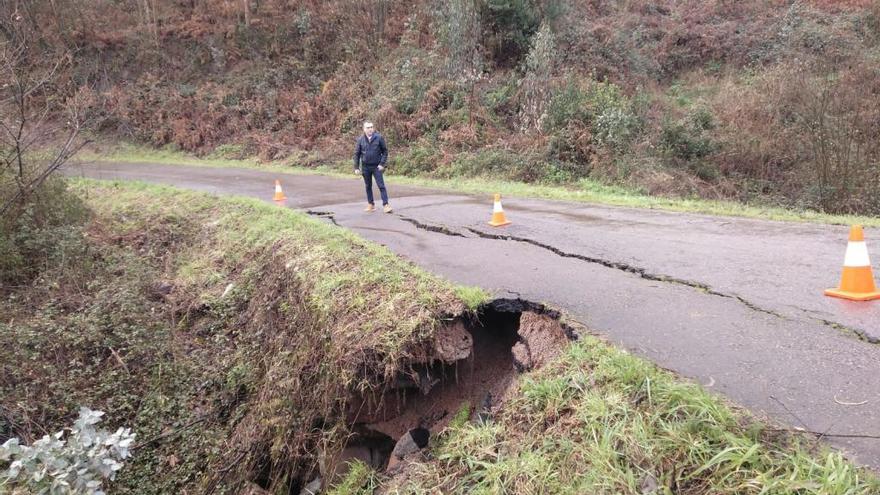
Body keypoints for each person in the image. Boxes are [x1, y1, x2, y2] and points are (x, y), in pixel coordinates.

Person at [353, 121, 392, 213]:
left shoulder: (379, 138)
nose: (370, 129)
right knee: (368, 186)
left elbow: (385, 152)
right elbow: (356, 154)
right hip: (365, 167)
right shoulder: (361, 140)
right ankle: (371, 204)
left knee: (381, 185)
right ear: (364, 129)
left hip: (376, 167)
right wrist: (356, 167)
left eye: (371, 127)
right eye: (368, 127)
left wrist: (382, 164)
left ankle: (386, 205)